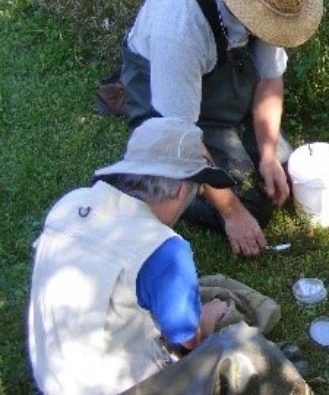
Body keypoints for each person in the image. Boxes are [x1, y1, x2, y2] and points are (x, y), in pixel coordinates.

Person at [27, 117, 311, 395]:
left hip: (53, 379)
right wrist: (212, 313)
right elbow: (190, 339)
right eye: (198, 188)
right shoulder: (164, 249)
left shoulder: (71, 203)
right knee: (242, 348)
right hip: (113, 385)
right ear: (179, 190)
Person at [120, 0, 323, 256]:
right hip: (170, 108)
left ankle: (231, 144)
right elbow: (180, 134)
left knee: (290, 174)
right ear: (242, 2)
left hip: (219, 93)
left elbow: (270, 81)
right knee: (252, 207)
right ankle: (159, 179)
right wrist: (232, 213)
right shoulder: (181, 22)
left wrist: (269, 155)